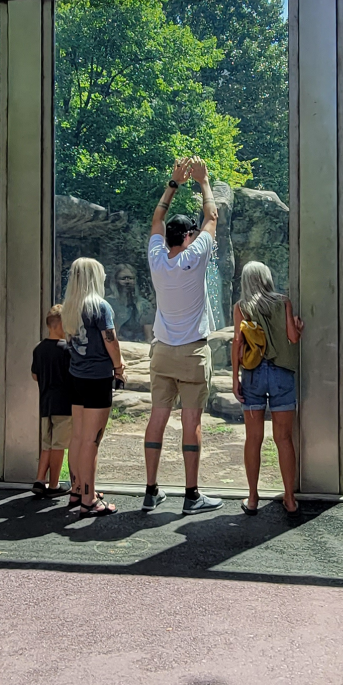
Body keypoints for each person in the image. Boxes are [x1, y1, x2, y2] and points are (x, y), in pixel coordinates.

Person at [140, 157, 224, 515]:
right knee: (192, 421)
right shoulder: (196, 257)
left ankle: (150, 490)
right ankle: (191, 495)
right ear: (188, 237)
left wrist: (173, 183)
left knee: (157, 417)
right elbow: (212, 218)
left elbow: (156, 220)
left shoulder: (157, 260)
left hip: (162, 352)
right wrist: (203, 181)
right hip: (192, 353)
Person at [231, 261, 303, 514]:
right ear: (267, 278)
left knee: (253, 438)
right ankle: (290, 499)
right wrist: (298, 328)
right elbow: (293, 338)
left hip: (254, 374)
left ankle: (252, 498)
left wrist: (235, 378)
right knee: (283, 438)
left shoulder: (242, 307)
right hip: (282, 373)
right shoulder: (283, 302)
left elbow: (238, 343)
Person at [61, 257, 123, 517]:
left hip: (76, 377)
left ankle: (77, 489)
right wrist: (119, 368)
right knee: (92, 441)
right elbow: (111, 341)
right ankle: (89, 499)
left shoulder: (69, 307)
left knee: (78, 436)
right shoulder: (100, 306)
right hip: (98, 379)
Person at [29, 306, 72, 499]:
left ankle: (40, 480)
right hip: (64, 405)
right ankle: (54, 485)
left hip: (45, 404)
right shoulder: (67, 350)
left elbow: (34, 375)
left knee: (47, 444)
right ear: (62, 325)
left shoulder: (39, 349)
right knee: (58, 446)